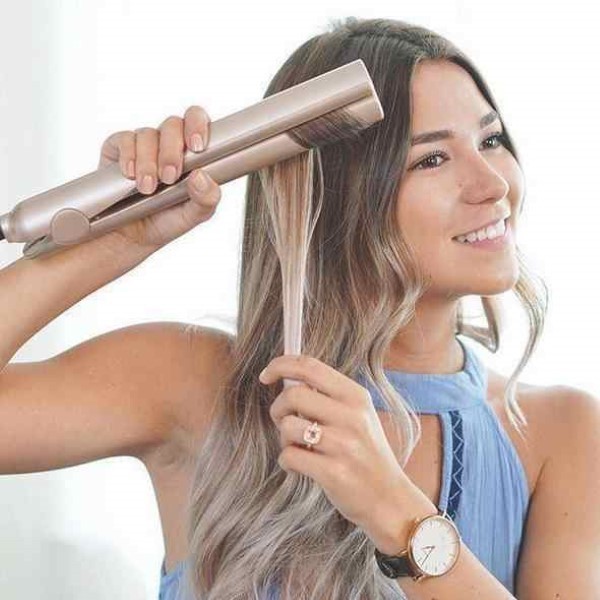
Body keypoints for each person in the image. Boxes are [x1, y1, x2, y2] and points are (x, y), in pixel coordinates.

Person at [1, 15, 599, 600]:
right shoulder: (195, 384)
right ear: (337, 194)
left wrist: (394, 511)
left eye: (491, 140)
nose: (494, 184)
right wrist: (120, 237)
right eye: (432, 159)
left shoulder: (560, 434)